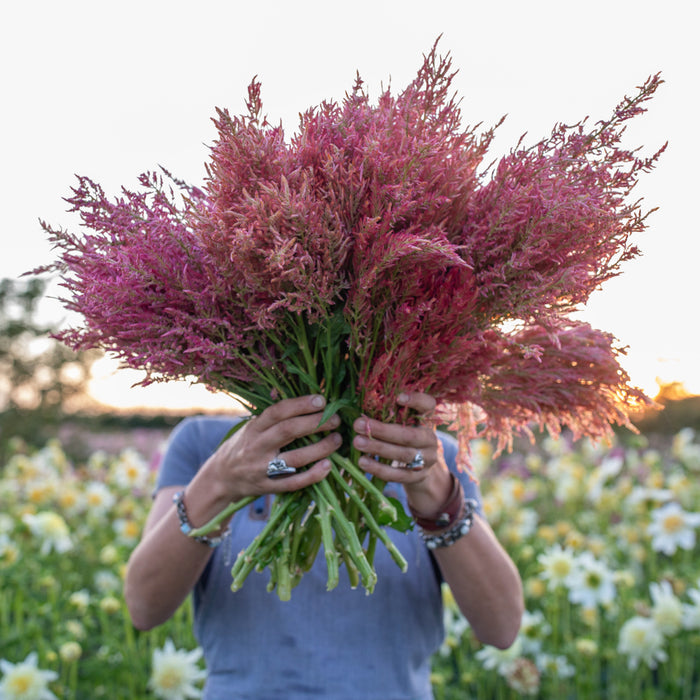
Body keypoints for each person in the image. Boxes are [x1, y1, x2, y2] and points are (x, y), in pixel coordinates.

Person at [125, 391, 523, 699]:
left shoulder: (424, 454)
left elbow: (502, 627)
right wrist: (220, 482)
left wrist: (439, 496)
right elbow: (144, 606)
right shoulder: (206, 443)